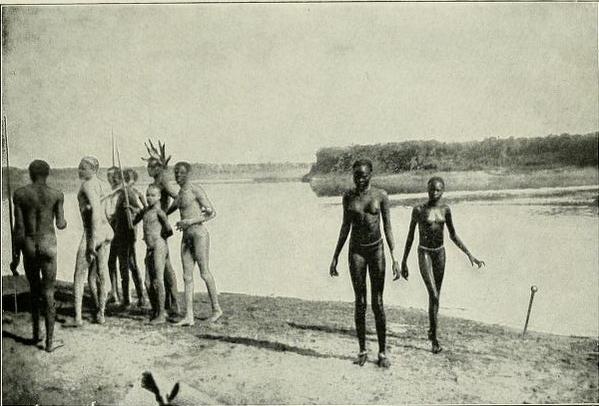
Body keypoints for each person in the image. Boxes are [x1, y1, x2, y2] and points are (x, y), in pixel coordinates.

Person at [400, 176, 485, 354]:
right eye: (432, 189)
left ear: (443, 191)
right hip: (424, 253)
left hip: (440, 253)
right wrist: (404, 261)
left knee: (436, 297)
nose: (434, 193)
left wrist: (470, 255)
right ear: (427, 190)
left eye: (438, 190)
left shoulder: (446, 210)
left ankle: (432, 330)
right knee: (434, 295)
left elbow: (453, 235)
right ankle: (434, 339)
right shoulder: (418, 210)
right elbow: (410, 237)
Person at [329, 159, 400, 368]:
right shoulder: (348, 197)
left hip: (376, 250)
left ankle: (382, 352)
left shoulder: (381, 196)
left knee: (378, 303)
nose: (360, 179)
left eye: (363, 175)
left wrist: (395, 257)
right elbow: (345, 227)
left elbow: (388, 227)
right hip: (356, 252)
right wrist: (335, 256)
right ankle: (362, 350)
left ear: (371, 174)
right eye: (356, 176)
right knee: (360, 302)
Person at [9, 160, 67, 352]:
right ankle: (50, 343)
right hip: (48, 243)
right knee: (49, 292)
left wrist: (15, 256)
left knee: (34, 290)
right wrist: (64, 221)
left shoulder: (20, 194)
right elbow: (60, 224)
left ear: (30, 173)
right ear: (48, 173)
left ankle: (35, 334)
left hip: (29, 243)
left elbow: (18, 229)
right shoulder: (57, 195)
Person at [167, 161, 222, 326]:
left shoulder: (195, 189)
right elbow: (166, 211)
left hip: (199, 234)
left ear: (188, 174)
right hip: (186, 237)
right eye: (176, 173)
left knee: (204, 273)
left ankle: (217, 309)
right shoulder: (179, 195)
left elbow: (212, 213)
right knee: (187, 276)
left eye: (182, 173)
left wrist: (189, 221)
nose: (178, 176)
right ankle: (189, 316)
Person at [73, 156, 114, 325]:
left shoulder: (87, 185)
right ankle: (101, 313)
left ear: (93, 169)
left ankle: (78, 317)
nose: (79, 170)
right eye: (79, 167)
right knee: (103, 272)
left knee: (79, 274)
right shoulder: (105, 184)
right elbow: (110, 211)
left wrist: (91, 242)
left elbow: (96, 212)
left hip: (93, 232)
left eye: (83, 168)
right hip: (107, 231)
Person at [145, 154, 180, 316]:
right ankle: (168, 305)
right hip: (155, 228)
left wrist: (165, 213)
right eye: (148, 166)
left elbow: (178, 197)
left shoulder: (164, 182)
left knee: (165, 271)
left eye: (151, 166)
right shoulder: (154, 185)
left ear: (158, 168)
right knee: (166, 270)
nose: (148, 169)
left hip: (160, 232)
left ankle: (170, 306)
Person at [133, 184, 173, 323]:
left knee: (158, 280)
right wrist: (130, 210)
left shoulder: (159, 212)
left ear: (159, 197)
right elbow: (132, 222)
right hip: (149, 249)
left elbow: (169, 230)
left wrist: (158, 240)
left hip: (159, 246)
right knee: (148, 282)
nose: (150, 198)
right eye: (148, 195)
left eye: (153, 195)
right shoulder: (146, 211)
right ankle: (156, 310)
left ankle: (161, 314)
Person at [112, 168, 147, 308]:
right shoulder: (123, 193)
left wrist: (132, 212)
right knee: (129, 264)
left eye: (119, 179)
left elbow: (142, 210)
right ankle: (139, 297)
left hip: (126, 233)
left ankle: (128, 299)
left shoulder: (128, 192)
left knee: (127, 265)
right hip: (121, 232)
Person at [105, 166, 122, 305]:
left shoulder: (122, 192)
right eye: (108, 175)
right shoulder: (109, 192)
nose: (110, 178)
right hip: (110, 229)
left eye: (113, 175)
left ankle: (135, 294)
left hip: (121, 231)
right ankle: (114, 293)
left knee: (127, 264)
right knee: (111, 262)